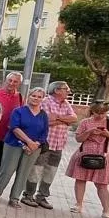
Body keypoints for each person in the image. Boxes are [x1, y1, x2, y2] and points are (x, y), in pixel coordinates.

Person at [0, 87, 50, 208]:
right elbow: (14, 127)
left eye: (39, 97)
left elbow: (44, 133)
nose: (36, 99)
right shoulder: (19, 111)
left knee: (24, 172)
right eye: (34, 96)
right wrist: (28, 142)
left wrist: (35, 144)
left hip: (34, 148)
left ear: (42, 99)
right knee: (7, 169)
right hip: (14, 144)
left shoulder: (43, 115)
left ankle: (15, 198)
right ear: (29, 96)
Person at [24, 81, 78, 209]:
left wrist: (58, 118)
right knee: (36, 170)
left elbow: (74, 119)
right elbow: (45, 121)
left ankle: (41, 196)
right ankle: (28, 195)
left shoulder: (66, 104)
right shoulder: (45, 102)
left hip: (59, 144)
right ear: (57, 90)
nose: (69, 91)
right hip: (45, 143)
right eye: (66, 89)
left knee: (51, 171)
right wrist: (65, 120)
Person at [67, 101, 109, 218]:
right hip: (84, 153)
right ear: (93, 111)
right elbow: (78, 138)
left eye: (104, 113)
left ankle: (106, 210)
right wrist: (89, 132)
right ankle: (78, 204)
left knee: (102, 184)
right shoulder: (85, 122)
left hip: (102, 156)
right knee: (80, 180)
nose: (101, 116)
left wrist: (107, 134)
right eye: (98, 113)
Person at [0, 72, 25, 194]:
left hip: (6, 136)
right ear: (5, 80)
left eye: (15, 81)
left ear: (19, 83)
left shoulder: (19, 97)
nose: (12, 83)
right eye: (10, 80)